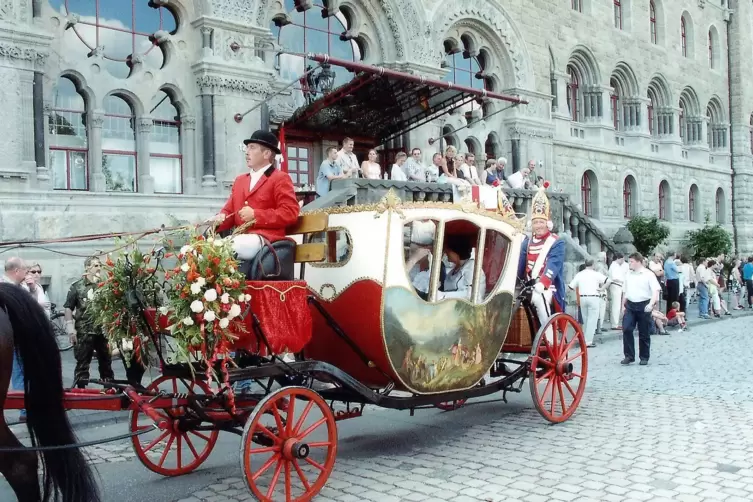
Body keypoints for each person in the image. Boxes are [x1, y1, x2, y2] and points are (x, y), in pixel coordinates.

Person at [212, 130, 301, 261]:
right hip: (241, 240)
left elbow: (290, 213)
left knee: (224, 248)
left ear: (266, 153)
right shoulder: (240, 180)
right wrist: (218, 220)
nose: (247, 152)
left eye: (252, 147)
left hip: (267, 240)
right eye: (247, 148)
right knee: (198, 250)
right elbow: (230, 211)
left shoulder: (280, 178)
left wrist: (256, 215)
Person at [517, 186, 566, 328]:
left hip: (550, 287)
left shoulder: (556, 242)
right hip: (529, 286)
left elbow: (553, 265)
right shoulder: (527, 242)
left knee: (539, 298)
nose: (538, 226)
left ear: (547, 224)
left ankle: (548, 333)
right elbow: (520, 265)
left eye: (541, 222)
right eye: (535, 222)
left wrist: (542, 282)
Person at [65, 256, 115, 388]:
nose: (99, 268)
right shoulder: (77, 286)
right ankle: (81, 389)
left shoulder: (104, 285)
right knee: (82, 362)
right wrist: (70, 328)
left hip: (102, 330)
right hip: (84, 331)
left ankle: (108, 387)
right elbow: (68, 307)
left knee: (106, 361)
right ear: (87, 267)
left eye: (99, 265)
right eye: (95, 265)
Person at [621, 252, 661, 366]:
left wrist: (651, 304)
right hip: (630, 304)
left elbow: (655, 290)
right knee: (627, 328)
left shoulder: (648, 274)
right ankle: (629, 355)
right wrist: (622, 305)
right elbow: (625, 291)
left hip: (644, 304)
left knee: (644, 332)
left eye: (632, 262)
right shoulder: (628, 274)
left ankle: (644, 356)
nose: (630, 264)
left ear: (638, 262)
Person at [2, 257, 29, 422]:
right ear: (17, 271)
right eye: (25, 270)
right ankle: (25, 409)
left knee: (21, 372)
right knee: (19, 372)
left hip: (14, 337)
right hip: (13, 338)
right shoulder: (8, 289)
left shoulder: (17, 287)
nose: (27, 273)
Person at [568, 259, 609, 347]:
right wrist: (602, 289)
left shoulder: (579, 274)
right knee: (592, 320)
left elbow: (571, 286)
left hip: (583, 297)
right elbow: (608, 280)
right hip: (593, 297)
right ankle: (588, 341)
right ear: (593, 264)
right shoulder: (596, 274)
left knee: (585, 319)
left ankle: (584, 339)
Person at [439, 234, 485, 302]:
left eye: (448, 251)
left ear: (455, 252)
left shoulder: (472, 268)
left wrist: (443, 295)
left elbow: (471, 294)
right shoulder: (452, 271)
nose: (446, 254)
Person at [607, 253, 628, 330]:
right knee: (616, 305)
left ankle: (615, 323)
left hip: (618, 285)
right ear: (619, 258)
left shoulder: (616, 266)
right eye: (622, 259)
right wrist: (623, 280)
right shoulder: (614, 266)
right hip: (616, 285)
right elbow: (615, 277)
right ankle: (614, 324)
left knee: (617, 305)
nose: (623, 261)